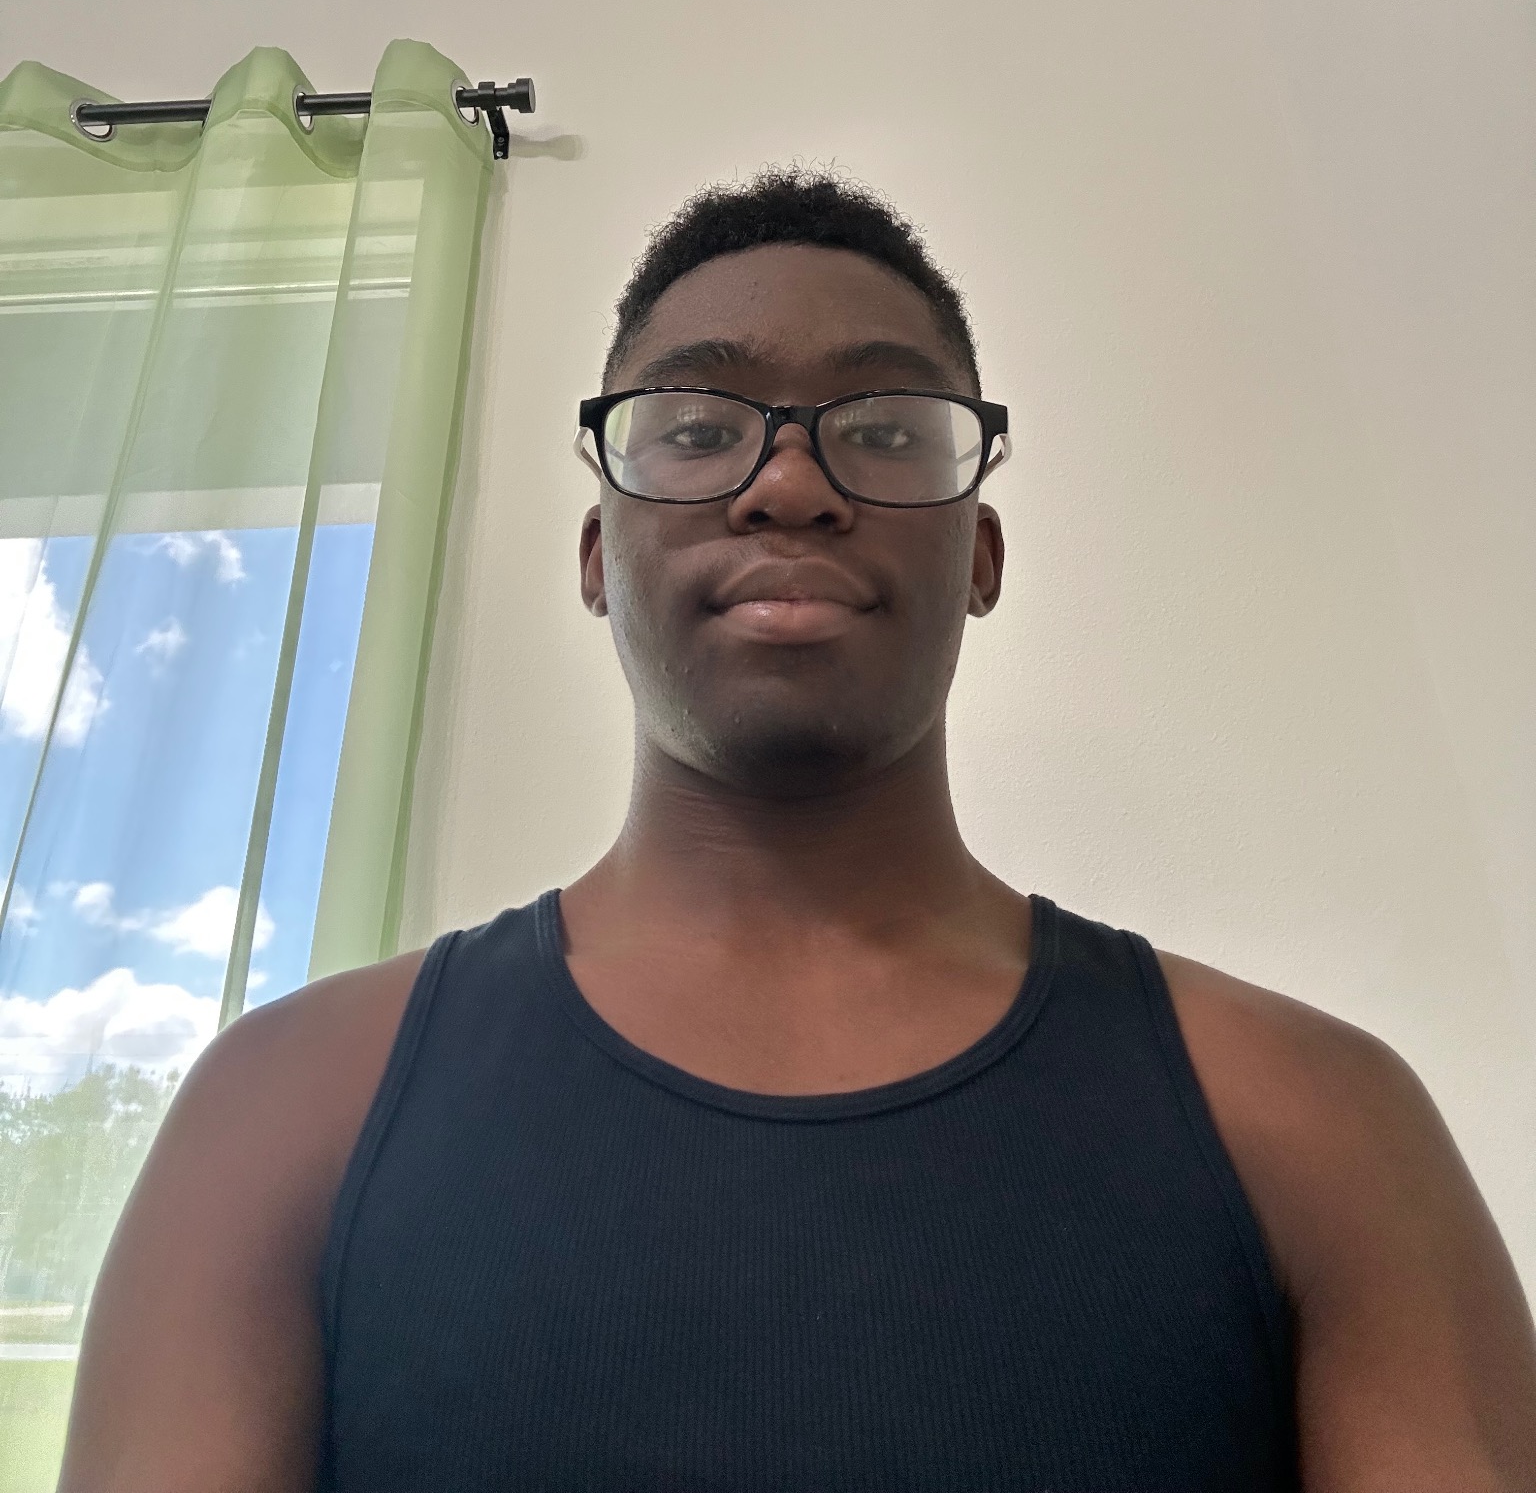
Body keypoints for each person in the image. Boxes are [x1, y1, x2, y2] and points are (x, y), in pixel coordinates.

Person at [61, 170, 1536, 1491]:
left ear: (981, 553)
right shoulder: (279, 1116)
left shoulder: (1322, 1126)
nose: (787, 483)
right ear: (599, 553)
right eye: (699, 430)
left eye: (885, 430)